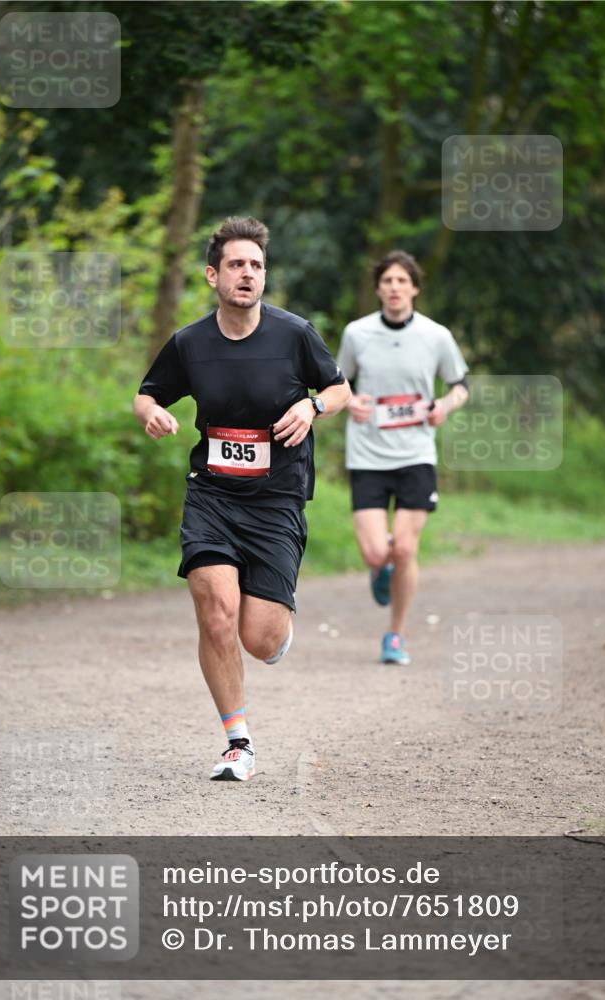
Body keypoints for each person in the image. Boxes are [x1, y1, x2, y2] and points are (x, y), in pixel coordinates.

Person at [134, 216, 350, 781]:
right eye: (236, 264)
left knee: (260, 637)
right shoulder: (190, 343)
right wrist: (153, 412)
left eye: (256, 265)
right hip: (211, 496)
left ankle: (277, 631)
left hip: (277, 500)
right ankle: (238, 741)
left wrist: (313, 406)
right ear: (213, 275)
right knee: (215, 613)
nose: (247, 273)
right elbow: (147, 392)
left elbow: (339, 388)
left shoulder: (293, 334)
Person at [337, 250, 469, 665]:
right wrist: (350, 401)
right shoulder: (356, 334)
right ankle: (381, 568)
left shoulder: (436, 336)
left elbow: (460, 384)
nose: (394, 287)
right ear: (378, 288)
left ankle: (395, 635)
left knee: (406, 550)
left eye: (402, 281)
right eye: (387, 281)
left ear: (414, 287)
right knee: (378, 552)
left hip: (415, 454)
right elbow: (337, 383)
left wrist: (444, 406)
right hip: (368, 455)